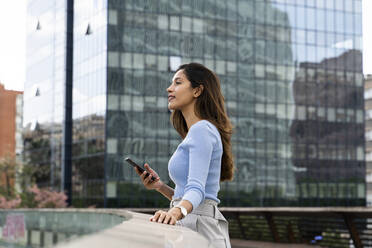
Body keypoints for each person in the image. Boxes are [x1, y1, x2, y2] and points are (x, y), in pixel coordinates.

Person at [135, 63, 234, 248]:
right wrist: (160, 186)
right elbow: (190, 195)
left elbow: (197, 190)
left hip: (198, 228)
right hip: (190, 223)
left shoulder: (202, 130)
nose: (169, 88)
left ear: (197, 91)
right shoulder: (197, 132)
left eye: (178, 82)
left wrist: (174, 213)